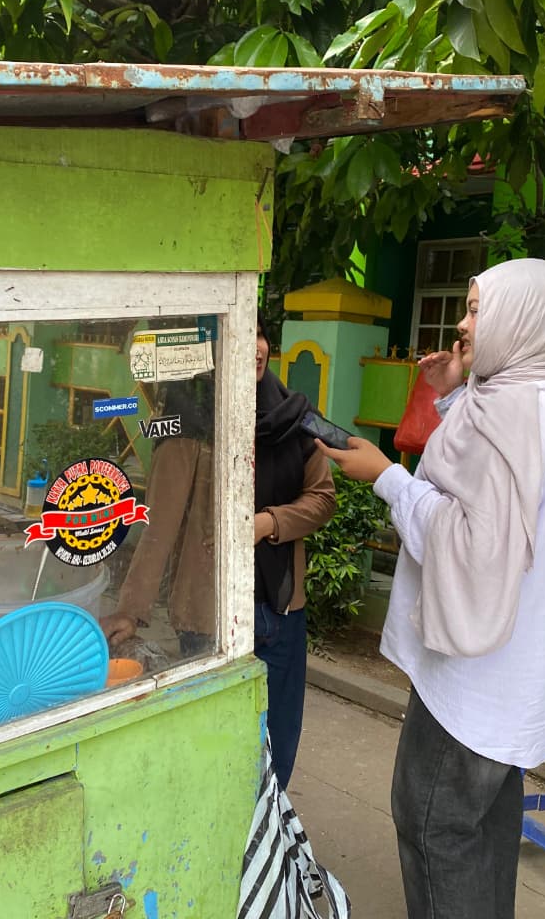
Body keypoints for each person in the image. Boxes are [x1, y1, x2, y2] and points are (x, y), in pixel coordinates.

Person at [318, 258, 545, 919]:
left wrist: (386, 476)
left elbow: (475, 543)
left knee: (433, 823)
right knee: (485, 824)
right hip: (520, 667)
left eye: (479, 309)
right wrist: (453, 388)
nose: (462, 322)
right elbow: (490, 476)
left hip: (478, 675)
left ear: (523, 320)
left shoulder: (513, 416)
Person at [253, 315, 335, 789]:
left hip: (281, 606)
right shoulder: (202, 420)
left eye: (259, 335)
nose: (256, 347)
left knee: (279, 737)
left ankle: (270, 839)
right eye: (241, 337)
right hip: (213, 610)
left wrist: (269, 523)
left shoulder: (294, 418)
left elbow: (322, 499)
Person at [100, 375, 216, 658]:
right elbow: (159, 529)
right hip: (208, 613)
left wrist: (270, 524)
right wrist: (131, 609)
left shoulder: (280, 409)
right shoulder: (186, 437)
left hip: (273, 609)